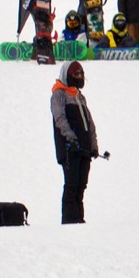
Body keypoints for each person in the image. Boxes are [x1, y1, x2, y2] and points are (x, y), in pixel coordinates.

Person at [50, 60, 100, 224]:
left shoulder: (80, 97)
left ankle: (79, 219)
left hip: (84, 149)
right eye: (76, 74)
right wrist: (71, 138)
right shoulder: (59, 94)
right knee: (71, 184)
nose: (80, 77)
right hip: (70, 149)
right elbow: (60, 118)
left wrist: (93, 145)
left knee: (81, 185)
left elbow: (89, 123)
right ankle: (70, 221)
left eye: (82, 74)